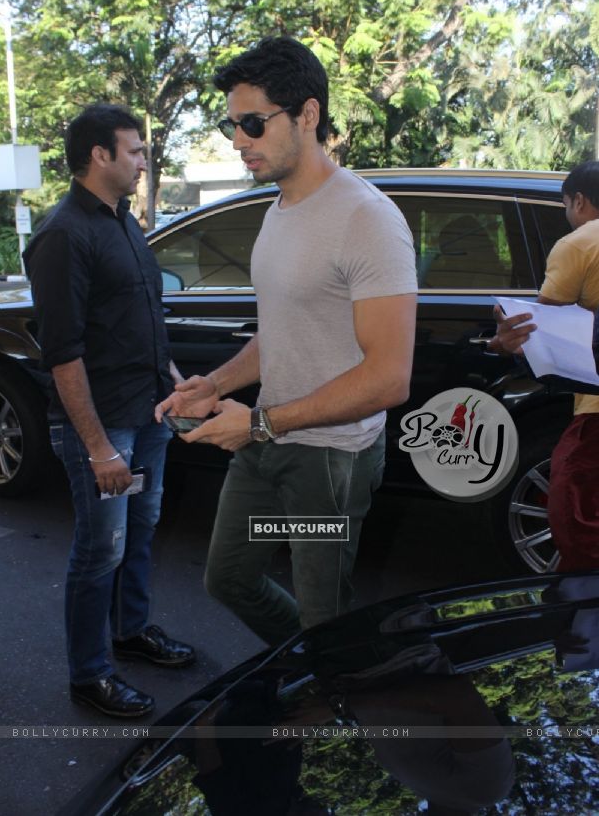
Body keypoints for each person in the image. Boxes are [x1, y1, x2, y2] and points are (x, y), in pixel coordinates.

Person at [156, 37, 417, 647]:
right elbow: (280, 334)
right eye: (232, 126)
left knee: (324, 613)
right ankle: (304, 671)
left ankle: (328, 707)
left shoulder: (366, 218)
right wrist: (215, 385)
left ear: (307, 115)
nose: (239, 141)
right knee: (228, 579)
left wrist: (259, 424)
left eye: (252, 123)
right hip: (267, 439)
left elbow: (388, 379)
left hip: (328, 462)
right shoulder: (277, 211)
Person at [24, 104, 195, 719]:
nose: (145, 159)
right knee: (101, 550)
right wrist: (98, 449)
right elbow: (63, 355)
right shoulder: (64, 235)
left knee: (140, 533)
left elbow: (142, 324)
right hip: (105, 427)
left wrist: (178, 386)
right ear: (100, 155)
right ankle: (89, 674)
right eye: (135, 150)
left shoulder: (124, 222)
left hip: (147, 416)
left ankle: (131, 631)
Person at [487, 160, 599, 571]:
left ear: (580, 201)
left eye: (566, 205)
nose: (568, 215)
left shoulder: (581, 243)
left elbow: (539, 328)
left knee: (574, 518)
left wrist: (502, 341)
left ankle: (585, 618)